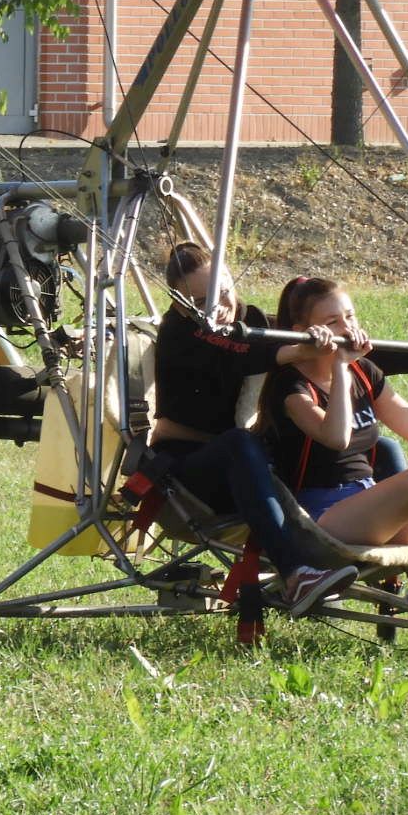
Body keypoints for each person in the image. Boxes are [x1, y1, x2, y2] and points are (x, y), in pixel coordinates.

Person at [149, 243, 368, 615]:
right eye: (200, 301)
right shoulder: (180, 332)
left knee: (384, 447)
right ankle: (296, 573)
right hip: (188, 470)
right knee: (239, 442)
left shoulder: (251, 319)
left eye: (223, 292)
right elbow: (237, 352)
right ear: (178, 303)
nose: (216, 306)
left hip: (250, 465)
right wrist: (297, 350)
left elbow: (362, 353)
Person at [262, 274, 408, 554]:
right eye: (333, 323)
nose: (348, 328)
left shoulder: (364, 372)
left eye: (350, 317)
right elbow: (336, 437)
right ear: (304, 333)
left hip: (374, 511)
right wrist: (340, 367)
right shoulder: (292, 386)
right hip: (322, 520)